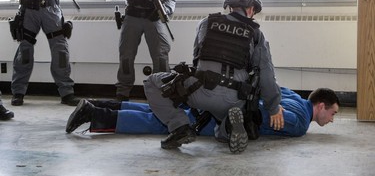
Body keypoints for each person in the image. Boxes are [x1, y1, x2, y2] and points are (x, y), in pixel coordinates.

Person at [143, 0, 284, 153]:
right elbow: (266, 73)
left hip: (200, 90)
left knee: (151, 81)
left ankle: (180, 127)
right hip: (235, 98)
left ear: (230, 6)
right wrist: (274, 107)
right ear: (251, 8)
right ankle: (229, 126)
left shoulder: (206, 23)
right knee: (221, 127)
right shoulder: (256, 34)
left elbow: (197, 59)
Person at [65, 87, 340, 139]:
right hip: (220, 117)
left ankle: (100, 104)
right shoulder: (301, 122)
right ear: (320, 106)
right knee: (165, 124)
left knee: (162, 110)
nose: (331, 120)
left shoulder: (292, 96)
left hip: (219, 98)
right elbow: (255, 114)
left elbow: (268, 88)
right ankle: (96, 115)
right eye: (333, 114)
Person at [108, 0, 176, 102]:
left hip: (154, 18)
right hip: (132, 16)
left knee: (161, 56)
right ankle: (122, 92)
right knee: (126, 55)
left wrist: (164, 11)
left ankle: (161, 92)